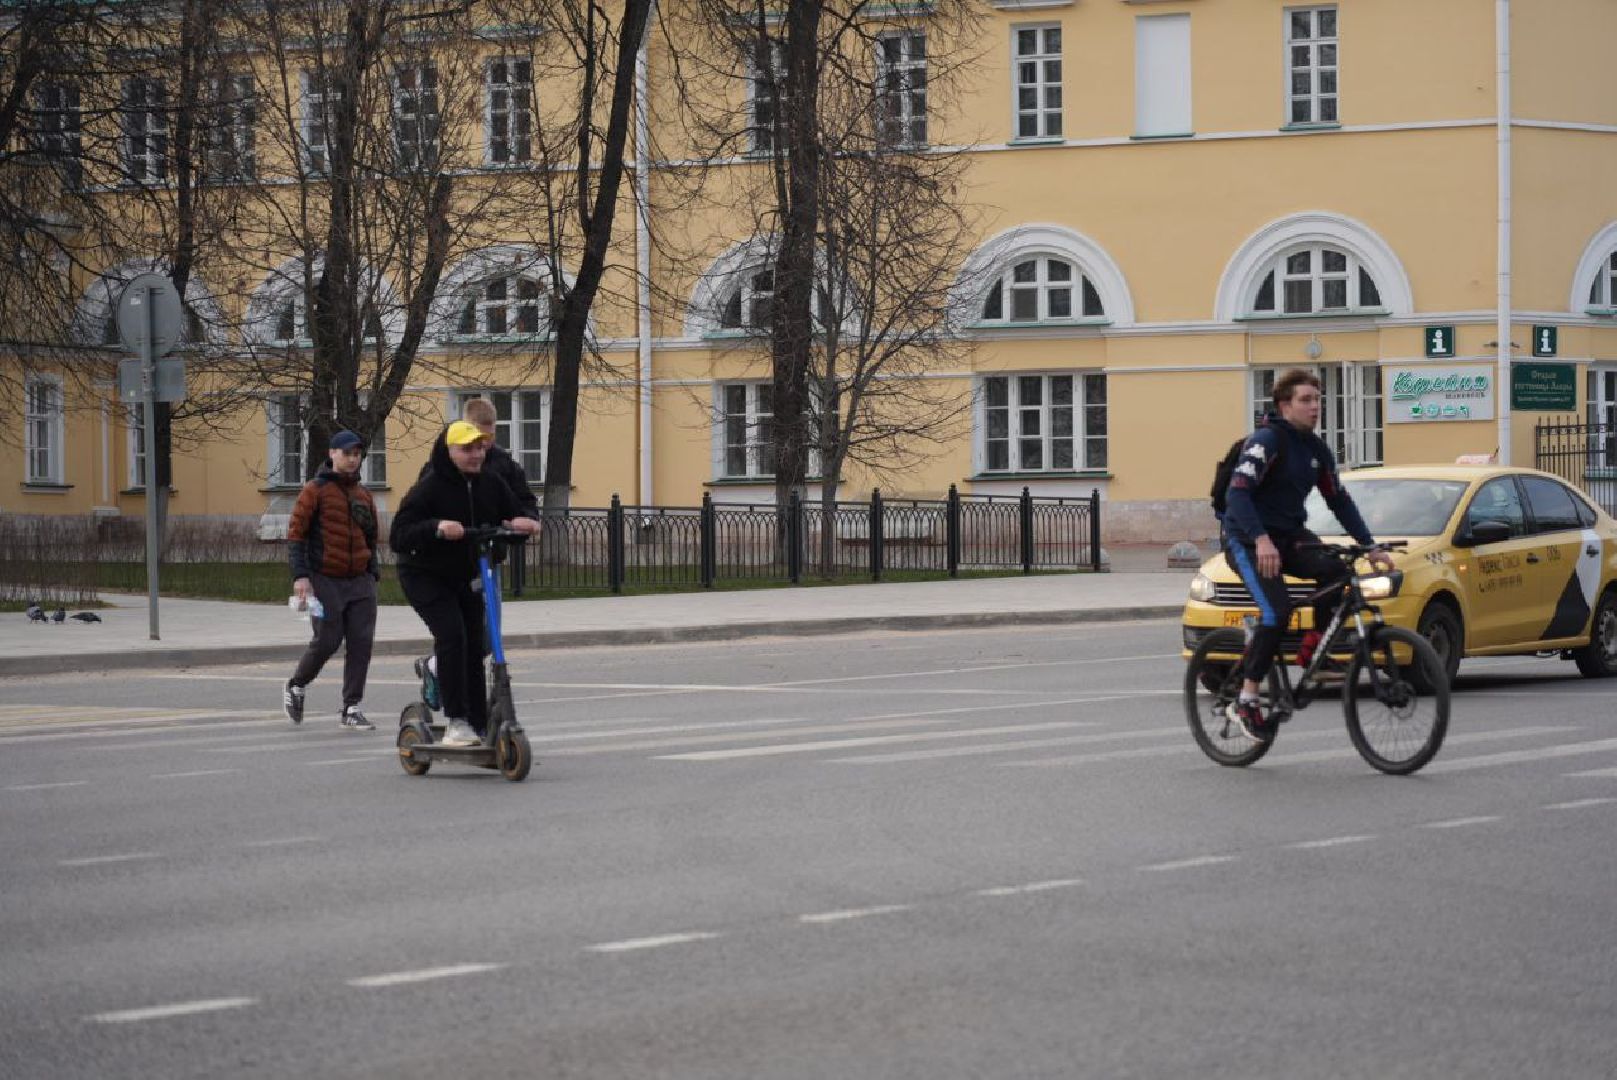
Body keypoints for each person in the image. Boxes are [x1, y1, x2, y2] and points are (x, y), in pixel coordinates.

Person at [1220, 368, 1393, 742]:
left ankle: (1313, 650)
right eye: (1306, 400)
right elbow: (1238, 494)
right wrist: (1261, 540)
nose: (1315, 407)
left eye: (1318, 400)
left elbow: (1338, 500)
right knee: (1276, 611)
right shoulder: (1267, 441)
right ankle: (1248, 697)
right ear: (1285, 406)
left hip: (1290, 535)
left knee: (1336, 571)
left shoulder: (1316, 449)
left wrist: (1370, 546)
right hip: (1248, 539)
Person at [390, 421, 539, 746]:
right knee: (453, 637)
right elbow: (399, 536)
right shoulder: (430, 486)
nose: (475, 454)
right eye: (467, 448)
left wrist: (523, 524)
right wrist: (437, 527)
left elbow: (513, 515)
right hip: (424, 575)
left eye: (479, 447)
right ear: (450, 451)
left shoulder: (491, 482)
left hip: (466, 574)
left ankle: (477, 721)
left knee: (475, 645)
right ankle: (457, 721)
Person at [283, 430, 380, 731]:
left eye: (357, 454)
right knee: (327, 641)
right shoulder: (315, 490)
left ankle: (351, 707)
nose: (352, 459)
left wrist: (372, 572)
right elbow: (296, 535)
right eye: (347, 453)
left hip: (360, 581)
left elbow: (371, 537)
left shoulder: (363, 495)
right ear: (332, 454)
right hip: (325, 579)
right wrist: (301, 576)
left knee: (361, 644)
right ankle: (296, 685)